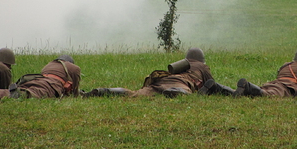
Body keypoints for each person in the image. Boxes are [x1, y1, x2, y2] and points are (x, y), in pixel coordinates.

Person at [85, 48, 214, 98]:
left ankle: (102, 91)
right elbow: (210, 84)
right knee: (181, 92)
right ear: (202, 60)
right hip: (180, 84)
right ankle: (175, 92)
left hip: (159, 82)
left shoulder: (179, 65)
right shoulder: (202, 67)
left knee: (133, 95)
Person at [233, 47, 297, 98]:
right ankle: (248, 86)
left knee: (263, 90)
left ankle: (225, 89)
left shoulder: (286, 64)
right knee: (270, 95)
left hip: (275, 83)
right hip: (287, 86)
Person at [8, 55, 81, 99]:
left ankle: (1, 92)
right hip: (51, 84)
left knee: (26, 87)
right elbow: (75, 89)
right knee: (36, 93)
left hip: (37, 80)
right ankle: (16, 94)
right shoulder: (73, 67)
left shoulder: (49, 64)